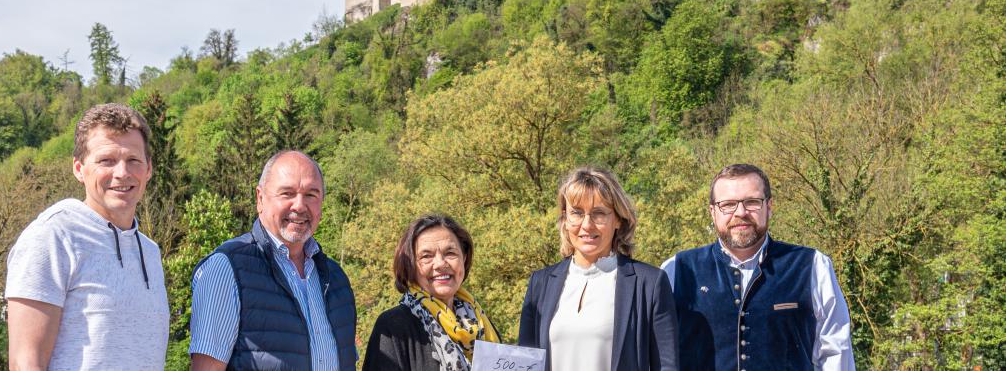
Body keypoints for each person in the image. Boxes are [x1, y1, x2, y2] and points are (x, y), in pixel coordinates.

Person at [5, 103, 169, 370]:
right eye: (106, 160)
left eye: (133, 160)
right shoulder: (52, 237)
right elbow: (25, 362)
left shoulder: (149, 251)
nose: (122, 173)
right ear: (79, 169)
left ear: (148, 169)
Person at [661, 163, 856, 371]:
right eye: (728, 205)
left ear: (769, 207)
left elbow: (836, 353)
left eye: (752, 202)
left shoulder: (813, 266)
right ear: (712, 212)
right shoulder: (676, 270)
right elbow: (657, 356)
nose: (741, 213)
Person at [189, 150, 357, 370]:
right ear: (260, 198)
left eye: (311, 195)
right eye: (287, 193)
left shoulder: (337, 280)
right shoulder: (226, 269)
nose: (299, 205)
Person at [519, 166, 678, 371]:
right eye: (577, 213)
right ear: (566, 220)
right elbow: (525, 362)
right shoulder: (540, 284)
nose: (587, 225)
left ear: (618, 219)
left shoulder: (650, 284)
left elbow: (667, 366)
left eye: (599, 214)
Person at [363, 214, 501, 371]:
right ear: (410, 266)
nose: (441, 263)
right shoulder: (394, 327)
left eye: (450, 253)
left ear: (464, 258)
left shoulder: (480, 322)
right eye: (426, 256)